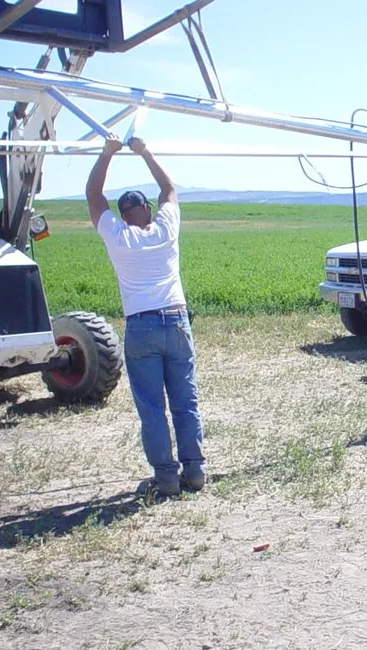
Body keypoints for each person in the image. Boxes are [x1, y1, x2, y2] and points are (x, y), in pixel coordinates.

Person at [86, 135, 206, 496]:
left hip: (141, 326)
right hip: (176, 319)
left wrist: (107, 153)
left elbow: (93, 195)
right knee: (185, 400)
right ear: (148, 211)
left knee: (152, 408)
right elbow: (168, 188)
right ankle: (195, 471)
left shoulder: (118, 236)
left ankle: (166, 478)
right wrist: (144, 152)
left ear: (122, 216)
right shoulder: (166, 228)